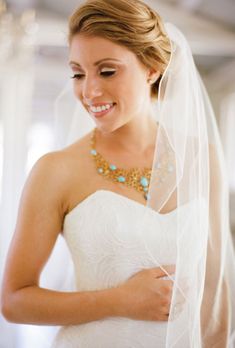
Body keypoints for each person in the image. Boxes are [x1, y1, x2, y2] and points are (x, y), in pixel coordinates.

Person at [1, 0, 235, 347]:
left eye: (107, 71)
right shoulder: (55, 171)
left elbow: (216, 294)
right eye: (78, 73)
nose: (89, 91)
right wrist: (122, 301)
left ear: (152, 68)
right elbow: (14, 301)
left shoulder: (203, 157)